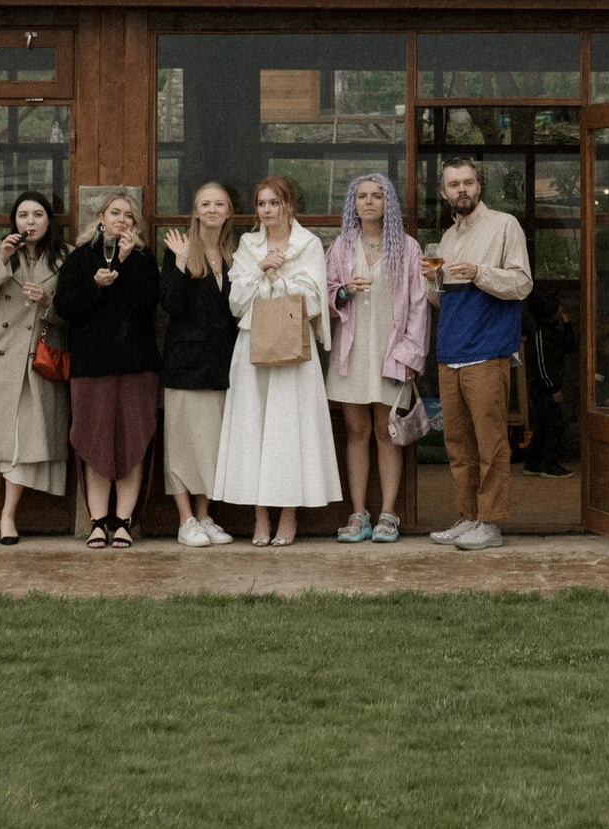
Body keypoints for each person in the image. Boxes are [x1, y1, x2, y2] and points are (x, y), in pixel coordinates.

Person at [213, 174, 342, 544]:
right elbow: (236, 300)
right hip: (253, 344)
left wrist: (279, 277)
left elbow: (316, 301)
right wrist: (260, 268)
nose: (268, 210)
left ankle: (289, 516)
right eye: (262, 204)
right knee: (253, 429)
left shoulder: (309, 244)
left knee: (288, 432)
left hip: (293, 347)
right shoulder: (247, 245)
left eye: (274, 203)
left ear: (289, 205)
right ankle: (260, 518)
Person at [424, 155, 532, 552]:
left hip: (487, 351)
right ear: (444, 193)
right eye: (454, 185)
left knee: (491, 444)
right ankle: (468, 516)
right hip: (450, 350)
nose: (462, 190)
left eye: (468, 182)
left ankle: (490, 523)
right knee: (458, 444)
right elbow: (441, 303)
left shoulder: (505, 225)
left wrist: (481, 273)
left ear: (478, 186)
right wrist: (433, 281)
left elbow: (522, 284)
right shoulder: (447, 240)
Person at [323, 172, 428, 544]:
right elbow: (327, 295)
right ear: (353, 203)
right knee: (355, 432)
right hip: (352, 353)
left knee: (387, 433)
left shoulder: (407, 248)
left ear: (388, 204)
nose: (369, 202)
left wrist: (411, 355)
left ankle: (388, 513)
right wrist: (345, 292)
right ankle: (358, 514)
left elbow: (418, 306)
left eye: (377, 196)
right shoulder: (341, 247)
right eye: (362, 196)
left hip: (390, 352)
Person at [54, 190, 162, 548]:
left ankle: (125, 522)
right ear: (100, 217)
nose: (121, 219)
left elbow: (147, 303)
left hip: (136, 366)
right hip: (91, 367)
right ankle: (98, 521)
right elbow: (64, 307)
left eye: (129, 215)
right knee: (94, 441)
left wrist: (126, 262)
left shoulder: (144, 259)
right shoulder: (80, 258)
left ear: (135, 225)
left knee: (134, 441)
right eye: (115, 212)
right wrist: (94, 285)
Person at [0, 191, 69, 545]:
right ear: (15, 221)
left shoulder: (64, 257)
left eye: (38, 215)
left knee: (23, 442)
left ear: (49, 221)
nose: (30, 222)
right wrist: (3, 259)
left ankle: (9, 516)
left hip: (35, 359)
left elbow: (72, 311)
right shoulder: (1, 251)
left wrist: (48, 302)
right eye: (23, 215)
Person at [157, 181, 241, 547]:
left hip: (222, 363)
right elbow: (170, 306)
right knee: (181, 444)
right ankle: (185, 519)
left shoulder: (235, 252)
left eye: (218, 204)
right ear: (195, 211)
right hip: (185, 364)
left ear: (228, 213)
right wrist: (177, 263)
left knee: (212, 445)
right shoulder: (180, 248)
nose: (211, 209)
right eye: (204, 203)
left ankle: (205, 516)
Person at [520, 295, 577, 477]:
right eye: (559, 308)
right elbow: (542, 364)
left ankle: (533, 462)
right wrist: (552, 389)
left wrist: (567, 324)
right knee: (555, 424)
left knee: (544, 424)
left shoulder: (554, 330)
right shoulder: (540, 334)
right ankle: (550, 464)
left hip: (550, 385)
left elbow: (570, 347)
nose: (562, 310)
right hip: (542, 388)